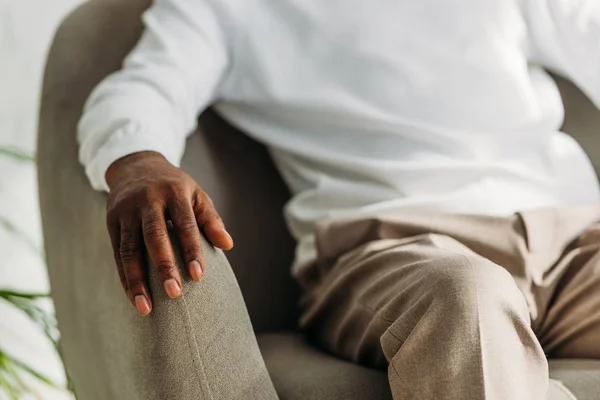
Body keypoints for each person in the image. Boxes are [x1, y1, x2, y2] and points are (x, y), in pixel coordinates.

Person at [77, 0, 600, 398]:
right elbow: (143, 88)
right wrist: (138, 161)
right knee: (468, 294)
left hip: (573, 240)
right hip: (397, 250)